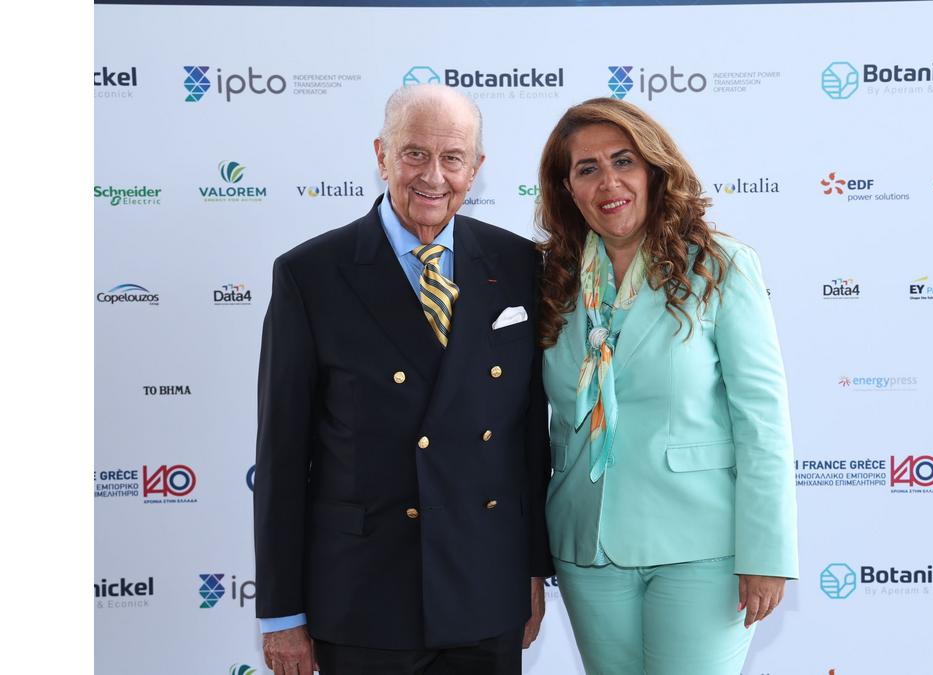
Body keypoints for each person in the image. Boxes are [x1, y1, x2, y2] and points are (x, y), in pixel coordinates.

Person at [254, 84, 552, 675]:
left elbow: (529, 438)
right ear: (382, 155)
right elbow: (282, 456)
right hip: (365, 597)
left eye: (453, 158)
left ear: (476, 168)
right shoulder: (310, 275)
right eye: (415, 153)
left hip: (485, 590)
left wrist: (531, 571)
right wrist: (282, 613)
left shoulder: (520, 265)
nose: (434, 176)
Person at [535, 98, 799, 675]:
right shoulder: (549, 279)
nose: (609, 182)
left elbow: (762, 420)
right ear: (568, 189)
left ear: (654, 170)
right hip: (586, 547)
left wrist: (768, 551)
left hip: (703, 547)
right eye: (587, 168)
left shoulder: (721, 266)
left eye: (623, 161)